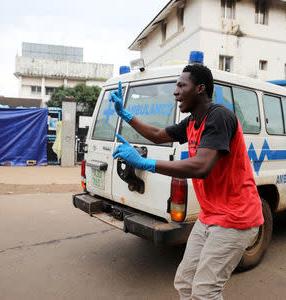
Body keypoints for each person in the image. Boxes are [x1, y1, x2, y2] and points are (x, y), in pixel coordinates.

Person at [110, 64, 264, 299]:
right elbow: (157, 135)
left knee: (205, 291)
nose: (176, 91)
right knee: (185, 282)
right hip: (209, 216)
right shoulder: (192, 121)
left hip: (235, 218)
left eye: (182, 85)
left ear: (200, 89)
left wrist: (145, 164)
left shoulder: (219, 117)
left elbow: (201, 166)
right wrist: (126, 115)